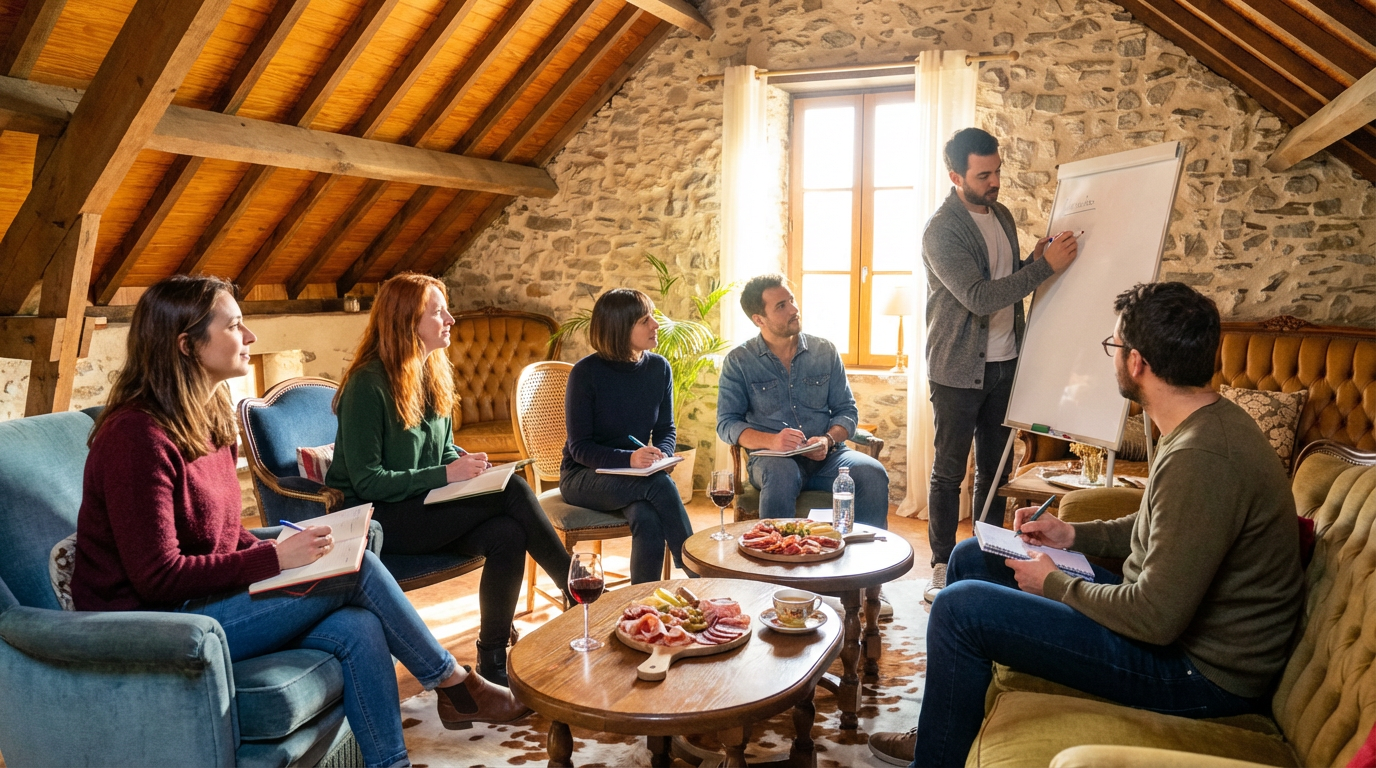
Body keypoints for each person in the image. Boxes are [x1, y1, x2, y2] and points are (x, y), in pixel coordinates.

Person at [71, 275, 526, 768]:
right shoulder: (135, 438)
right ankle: (454, 682)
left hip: (207, 601)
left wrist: (290, 546)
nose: (251, 338)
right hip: (161, 627)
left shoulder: (208, 420)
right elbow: (157, 577)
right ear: (186, 345)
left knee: (359, 626)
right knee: (359, 569)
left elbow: (220, 538)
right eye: (236, 326)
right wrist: (273, 558)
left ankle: (390, 761)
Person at [867, 282, 1304, 767]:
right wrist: (1070, 535)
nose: (1112, 356)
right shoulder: (1201, 423)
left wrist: (1053, 582)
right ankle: (944, 729)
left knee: (958, 610)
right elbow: (1156, 526)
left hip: (1199, 675)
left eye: (1114, 346)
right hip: (1172, 627)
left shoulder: (1203, 456)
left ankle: (934, 759)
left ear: (1137, 362)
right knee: (977, 554)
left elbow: (1154, 618)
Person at [326, 273, 571, 687]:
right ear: (407, 321)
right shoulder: (367, 385)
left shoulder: (434, 372)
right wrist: (446, 473)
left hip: (423, 507)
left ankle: (492, 658)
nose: (451, 319)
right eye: (438, 311)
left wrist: (464, 466)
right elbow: (368, 482)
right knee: (512, 489)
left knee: (507, 532)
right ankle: (579, 588)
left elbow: (441, 453)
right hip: (379, 520)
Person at [920, 127, 1080, 603]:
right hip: (956, 369)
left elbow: (1005, 280)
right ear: (955, 176)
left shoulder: (1003, 215)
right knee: (950, 471)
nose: (994, 182)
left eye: (997, 172)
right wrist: (1044, 267)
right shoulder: (941, 230)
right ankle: (942, 564)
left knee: (996, 471)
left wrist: (1031, 258)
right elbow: (977, 295)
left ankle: (982, 558)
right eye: (983, 174)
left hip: (1006, 363)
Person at [716, 274, 889, 531]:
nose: (794, 309)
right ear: (758, 319)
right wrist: (772, 441)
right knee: (781, 472)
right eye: (781, 306)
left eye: (792, 300)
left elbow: (847, 411)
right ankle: (777, 562)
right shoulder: (739, 361)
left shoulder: (825, 351)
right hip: (771, 460)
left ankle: (865, 562)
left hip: (829, 457)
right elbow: (727, 424)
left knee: (872, 472)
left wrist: (827, 439)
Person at [559, 288, 695, 583]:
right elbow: (580, 447)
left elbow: (665, 429)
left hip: (635, 477)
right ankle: (696, 568)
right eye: (645, 320)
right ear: (620, 328)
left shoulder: (659, 368)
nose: (655, 325)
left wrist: (661, 454)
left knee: (647, 517)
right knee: (658, 485)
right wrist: (629, 459)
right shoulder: (585, 374)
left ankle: (642, 605)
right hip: (583, 475)